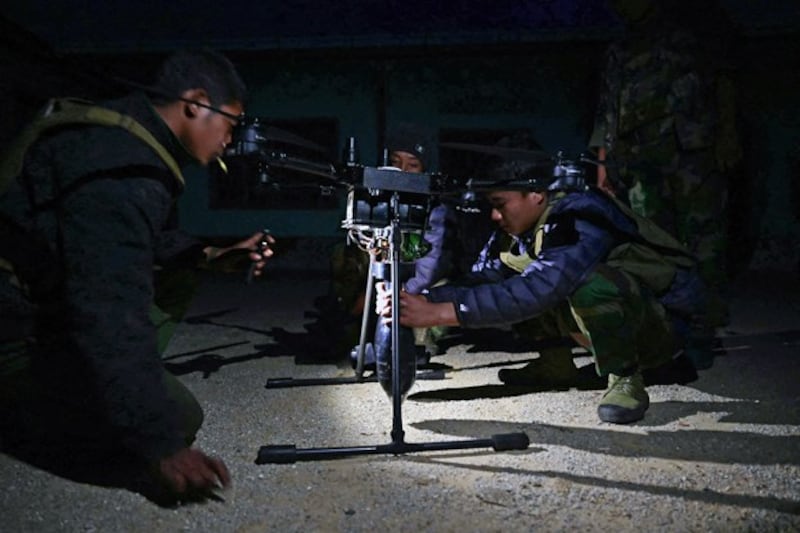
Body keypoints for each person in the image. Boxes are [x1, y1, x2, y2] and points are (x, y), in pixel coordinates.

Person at [0, 49, 273, 497]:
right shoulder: (122, 169)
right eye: (231, 123)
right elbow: (108, 308)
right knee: (180, 417)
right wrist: (159, 441)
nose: (230, 139)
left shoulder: (125, 135)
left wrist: (210, 253)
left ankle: (106, 384)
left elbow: (139, 243)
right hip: (13, 329)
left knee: (181, 273)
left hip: (40, 295)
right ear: (196, 104)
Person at [375, 148, 706, 424]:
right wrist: (418, 299)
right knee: (515, 279)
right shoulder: (522, 227)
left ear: (536, 194)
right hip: (627, 317)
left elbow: (541, 289)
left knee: (589, 285)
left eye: (500, 203)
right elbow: (485, 278)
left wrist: (441, 313)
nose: (493, 215)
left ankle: (625, 377)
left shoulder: (579, 217)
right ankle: (555, 363)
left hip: (660, 329)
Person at [589, 0, 742, 368]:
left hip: (690, 151)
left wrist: (728, 132)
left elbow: (723, 82)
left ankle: (705, 328)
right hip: (639, 161)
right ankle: (672, 331)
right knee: (654, 246)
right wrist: (603, 162)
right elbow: (608, 107)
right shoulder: (621, 48)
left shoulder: (693, 33)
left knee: (703, 240)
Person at [317, 122, 454, 362]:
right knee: (343, 254)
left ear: (423, 170)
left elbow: (428, 267)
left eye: (413, 165)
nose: (402, 171)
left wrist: (392, 296)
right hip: (379, 279)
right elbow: (361, 243)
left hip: (414, 285)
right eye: (395, 162)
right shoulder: (373, 199)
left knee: (437, 292)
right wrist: (370, 292)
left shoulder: (435, 208)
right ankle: (348, 324)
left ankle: (417, 344)